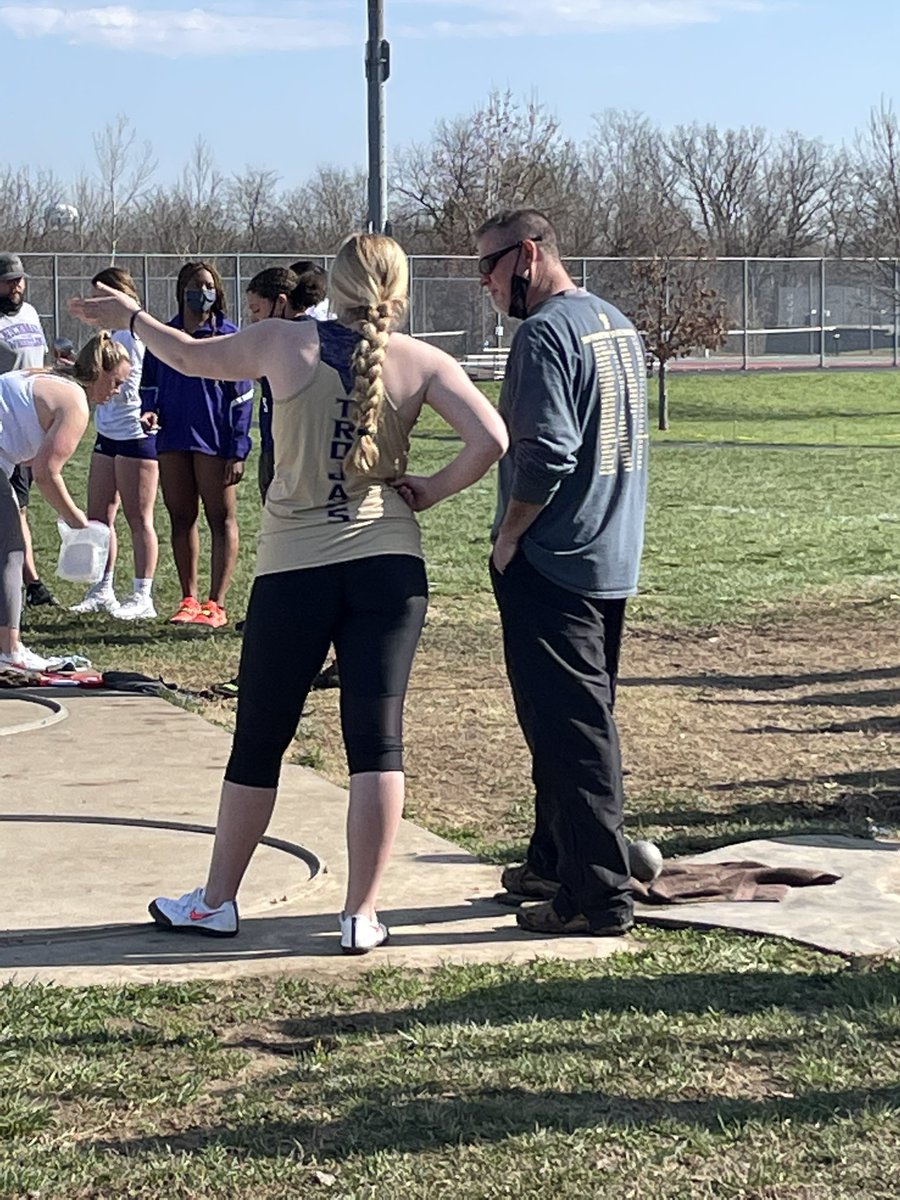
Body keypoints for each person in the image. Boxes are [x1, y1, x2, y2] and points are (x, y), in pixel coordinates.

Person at [70, 232, 508, 953]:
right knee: (377, 740)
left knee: (261, 738)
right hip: (389, 567)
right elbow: (490, 437)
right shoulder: (424, 361)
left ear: (331, 286)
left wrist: (133, 320)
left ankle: (216, 902)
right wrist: (428, 490)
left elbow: (189, 358)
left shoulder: (280, 342)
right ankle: (360, 914)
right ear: (400, 292)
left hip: (295, 569)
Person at [475, 208, 649, 938]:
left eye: (488, 266)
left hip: (554, 560)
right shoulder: (613, 322)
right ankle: (553, 858)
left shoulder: (544, 336)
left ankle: (598, 894)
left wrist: (510, 538)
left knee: (574, 733)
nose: (483, 283)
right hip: (608, 555)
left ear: (528, 255)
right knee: (565, 722)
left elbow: (547, 453)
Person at [0, 334, 132, 669]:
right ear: (100, 371)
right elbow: (46, 473)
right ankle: (9, 650)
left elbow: (29, 450)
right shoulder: (76, 402)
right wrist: (78, 522)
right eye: (116, 382)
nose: (116, 392)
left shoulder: (49, 376)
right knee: (12, 550)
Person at [139, 261, 253, 628]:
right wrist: (149, 410)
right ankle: (188, 599)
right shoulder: (165, 335)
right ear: (181, 290)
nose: (201, 292)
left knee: (220, 517)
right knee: (181, 515)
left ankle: (215, 603)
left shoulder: (230, 336)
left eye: (207, 286)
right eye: (194, 285)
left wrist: (238, 447)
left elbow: (242, 396)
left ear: (217, 292)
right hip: (173, 436)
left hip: (215, 438)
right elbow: (149, 385)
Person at [70, 268, 160, 620]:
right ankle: (102, 588)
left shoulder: (134, 336)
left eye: (101, 297)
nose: (94, 305)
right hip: (107, 434)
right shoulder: (106, 336)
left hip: (135, 437)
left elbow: (132, 385)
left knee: (139, 519)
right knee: (99, 517)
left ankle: (143, 595)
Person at [0, 251, 57, 608]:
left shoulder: (31, 313)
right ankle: (32, 583)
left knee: (19, 507)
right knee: (14, 508)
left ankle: (26, 582)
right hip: (6, 424)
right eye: (9, 280)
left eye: (20, 279)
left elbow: (37, 361)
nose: (17, 285)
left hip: (32, 425)